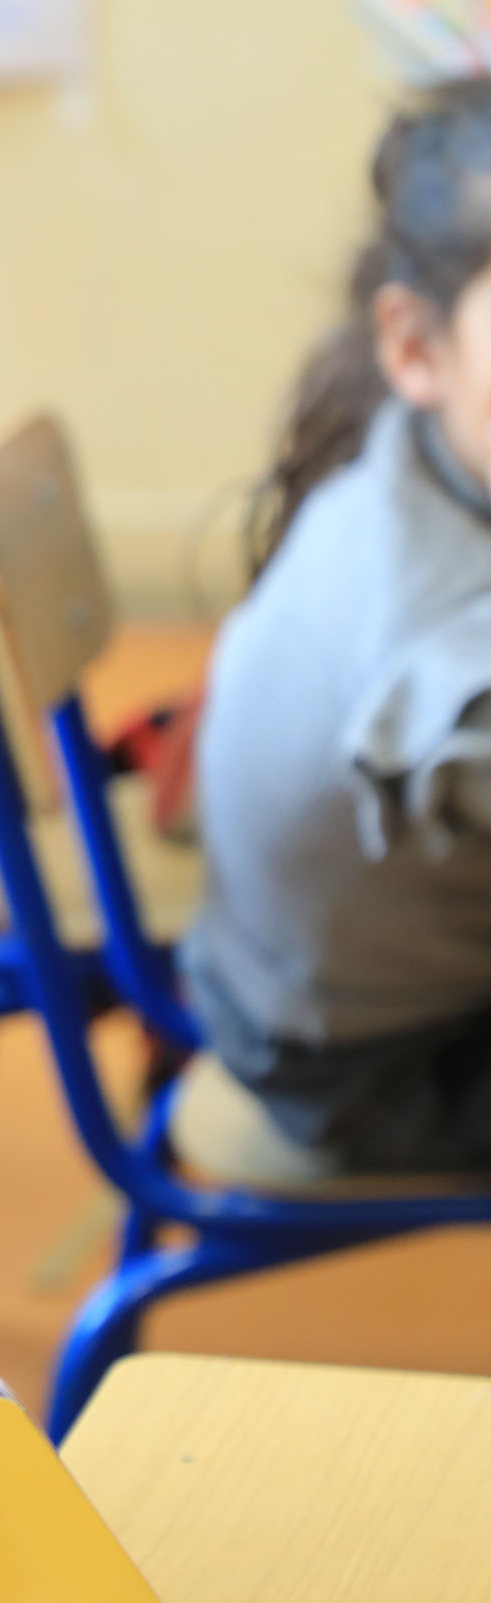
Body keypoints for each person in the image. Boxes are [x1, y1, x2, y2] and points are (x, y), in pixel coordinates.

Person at [181, 80, 491, 1173]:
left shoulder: (424, 441)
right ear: (413, 345)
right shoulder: (451, 669)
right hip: (369, 1058)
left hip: (274, 966)